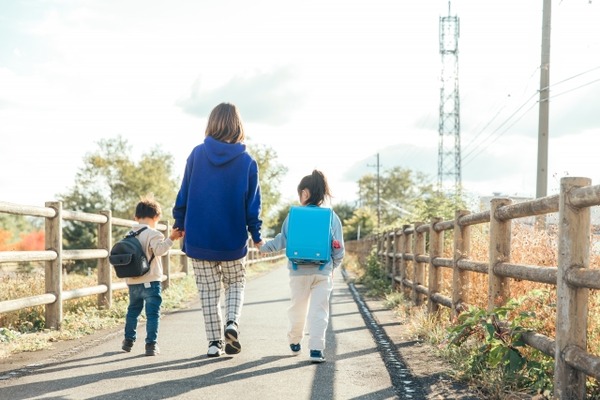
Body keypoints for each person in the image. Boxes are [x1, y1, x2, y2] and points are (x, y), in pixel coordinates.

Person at [172, 102, 264, 358]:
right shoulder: (247, 161)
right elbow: (252, 205)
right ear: (238, 126)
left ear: (212, 123)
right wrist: (256, 236)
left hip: (199, 238)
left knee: (208, 292)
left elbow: (184, 193)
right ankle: (232, 322)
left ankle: (214, 344)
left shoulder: (196, 154)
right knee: (235, 283)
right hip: (233, 240)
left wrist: (179, 222)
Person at [260, 170, 345, 363]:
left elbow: (282, 239)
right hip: (323, 272)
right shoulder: (331, 217)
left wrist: (264, 247)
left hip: (298, 272)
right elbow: (339, 248)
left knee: (297, 308)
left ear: (305, 193)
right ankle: (316, 349)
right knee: (319, 311)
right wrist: (332, 267)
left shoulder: (294, 216)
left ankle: (295, 341)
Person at [121, 197, 183, 356]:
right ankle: (151, 345)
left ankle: (128, 340)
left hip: (133, 281)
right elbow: (159, 251)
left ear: (136, 217)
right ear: (156, 218)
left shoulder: (128, 234)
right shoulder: (154, 234)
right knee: (153, 314)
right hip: (151, 280)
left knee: (133, 311)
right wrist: (172, 238)